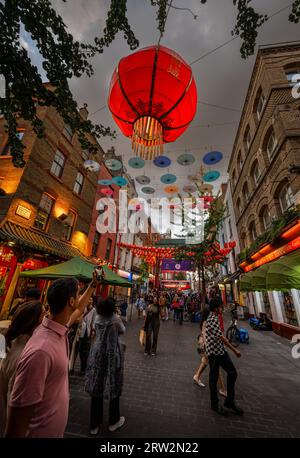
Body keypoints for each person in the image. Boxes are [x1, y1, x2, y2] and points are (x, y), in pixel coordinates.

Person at [4, 274, 98, 437]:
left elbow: (79, 309)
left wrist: (93, 285)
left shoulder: (58, 326)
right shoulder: (41, 351)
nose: (79, 299)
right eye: (77, 295)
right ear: (70, 301)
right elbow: (17, 421)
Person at [0, 301, 44, 436]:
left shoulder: (8, 343)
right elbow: (15, 406)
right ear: (34, 323)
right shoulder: (25, 356)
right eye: (44, 315)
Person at [86, 296, 126, 435]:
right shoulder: (115, 319)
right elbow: (123, 330)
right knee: (113, 385)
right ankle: (113, 421)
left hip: (97, 354)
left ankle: (94, 424)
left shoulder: (97, 318)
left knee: (97, 386)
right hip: (111, 355)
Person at [205, 298, 243, 416]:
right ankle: (215, 404)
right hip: (215, 353)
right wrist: (234, 349)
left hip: (220, 350)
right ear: (216, 308)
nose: (222, 309)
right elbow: (221, 337)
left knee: (232, 373)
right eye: (221, 307)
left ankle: (229, 401)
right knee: (213, 378)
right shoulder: (212, 319)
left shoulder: (215, 317)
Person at [193, 308, 227, 396]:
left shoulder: (204, 322)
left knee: (205, 362)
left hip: (205, 345)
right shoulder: (206, 322)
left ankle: (197, 376)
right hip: (208, 346)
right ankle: (222, 389)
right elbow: (206, 334)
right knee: (217, 367)